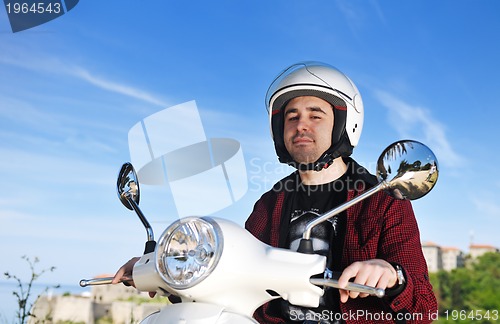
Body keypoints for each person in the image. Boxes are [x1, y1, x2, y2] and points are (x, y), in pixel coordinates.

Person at [113, 62, 437, 323]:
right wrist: (161, 267)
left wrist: (392, 275)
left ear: (344, 124)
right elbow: (234, 270)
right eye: (292, 116)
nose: (301, 125)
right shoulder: (270, 203)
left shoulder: (380, 200)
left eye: (315, 114)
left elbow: (424, 307)